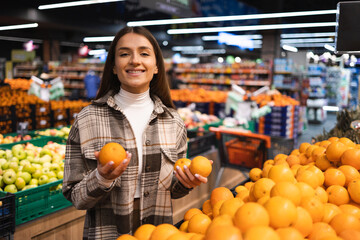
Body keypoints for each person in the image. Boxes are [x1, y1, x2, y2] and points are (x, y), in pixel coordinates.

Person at [62, 26, 209, 239]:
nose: (134, 60)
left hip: (158, 233)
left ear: (156, 66)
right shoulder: (87, 119)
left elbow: (173, 189)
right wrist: (101, 178)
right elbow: (74, 196)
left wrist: (186, 183)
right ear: (113, 66)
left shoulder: (173, 122)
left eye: (144, 53)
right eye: (124, 54)